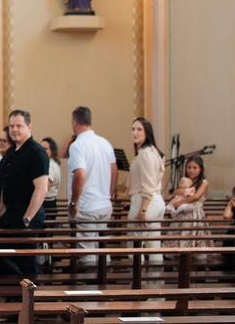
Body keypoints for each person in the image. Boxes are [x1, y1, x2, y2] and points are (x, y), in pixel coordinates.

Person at [0, 111, 50, 278]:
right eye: (11, 126)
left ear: (29, 127)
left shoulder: (37, 152)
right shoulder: (11, 152)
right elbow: (6, 188)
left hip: (27, 215)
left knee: (26, 260)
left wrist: (27, 217)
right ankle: (17, 289)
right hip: (10, 214)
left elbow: (41, 188)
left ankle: (29, 297)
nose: (14, 130)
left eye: (19, 126)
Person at [67, 107, 117, 267]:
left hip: (86, 207)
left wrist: (74, 203)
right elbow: (114, 172)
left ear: (74, 122)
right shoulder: (105, 143)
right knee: (102, 249)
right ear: (91, 122)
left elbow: (80, 175)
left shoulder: (77, 145)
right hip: (104, 205)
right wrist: (108, 197)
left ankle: (88, 290)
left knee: (87, 253)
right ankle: (105, 286)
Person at [127, 118, 166, 262]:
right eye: (133, 129)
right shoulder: (152, 151)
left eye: (139, 129)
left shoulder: (145, 153)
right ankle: (155, 283)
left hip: (145, 202)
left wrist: (143, 210)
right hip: (155, 201)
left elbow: (148, 184)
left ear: (147, 132)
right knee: (154, 247)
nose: (135, 133)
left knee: (134, 249)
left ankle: (136, 282)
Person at [168, 155, 208, 249]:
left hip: (195, 214)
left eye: (195, 168)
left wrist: (180, 203)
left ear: (201, 169)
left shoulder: (204, 182)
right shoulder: (185, 180)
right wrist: (180, 191)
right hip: (182, 214)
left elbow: (196, 196)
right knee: (179, 236)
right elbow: (176, 192)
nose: (191, 170)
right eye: (189, 167)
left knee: (194, 238)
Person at [39, 137, 61, 217]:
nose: (42, 151)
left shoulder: (50, 166)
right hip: (49, 202)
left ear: (52, 151)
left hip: (47, 204)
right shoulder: (52, 163)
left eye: (45, 149)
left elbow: (44, 188)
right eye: (40, 148)